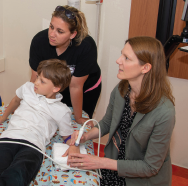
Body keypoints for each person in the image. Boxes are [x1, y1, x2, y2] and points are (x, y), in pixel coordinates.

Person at [67, 36, 176, 186]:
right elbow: (107, 122)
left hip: (139, 180)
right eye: (121, 55)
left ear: (145, 68)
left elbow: (150, 167)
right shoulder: (121, 90)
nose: (118, 61)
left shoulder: (164, 112)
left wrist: (101, 162)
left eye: (127, 58)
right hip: (113, 167)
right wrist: (85, 136)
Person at [0, 59, 80, 186]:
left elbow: (67, 136)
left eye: (42, 81)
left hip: (33, 146)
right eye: (37, 77)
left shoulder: (62, 111)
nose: (35, 82)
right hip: (8, 139)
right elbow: (15, 100)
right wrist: (3, 117)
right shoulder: (27, 88)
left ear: (56, 88)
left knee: (17, 176)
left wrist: (73, 146)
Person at [29, 5, 101, 126]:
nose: (52, 34)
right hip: (55, 87)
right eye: (51, 27)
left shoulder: (86, 47)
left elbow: (75, 86)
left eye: (60, 31)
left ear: (73, 34)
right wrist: (29, 105)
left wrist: (78, 118)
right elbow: (35, 78)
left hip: (84, 88)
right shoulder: (39, 41)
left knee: (76, 125)